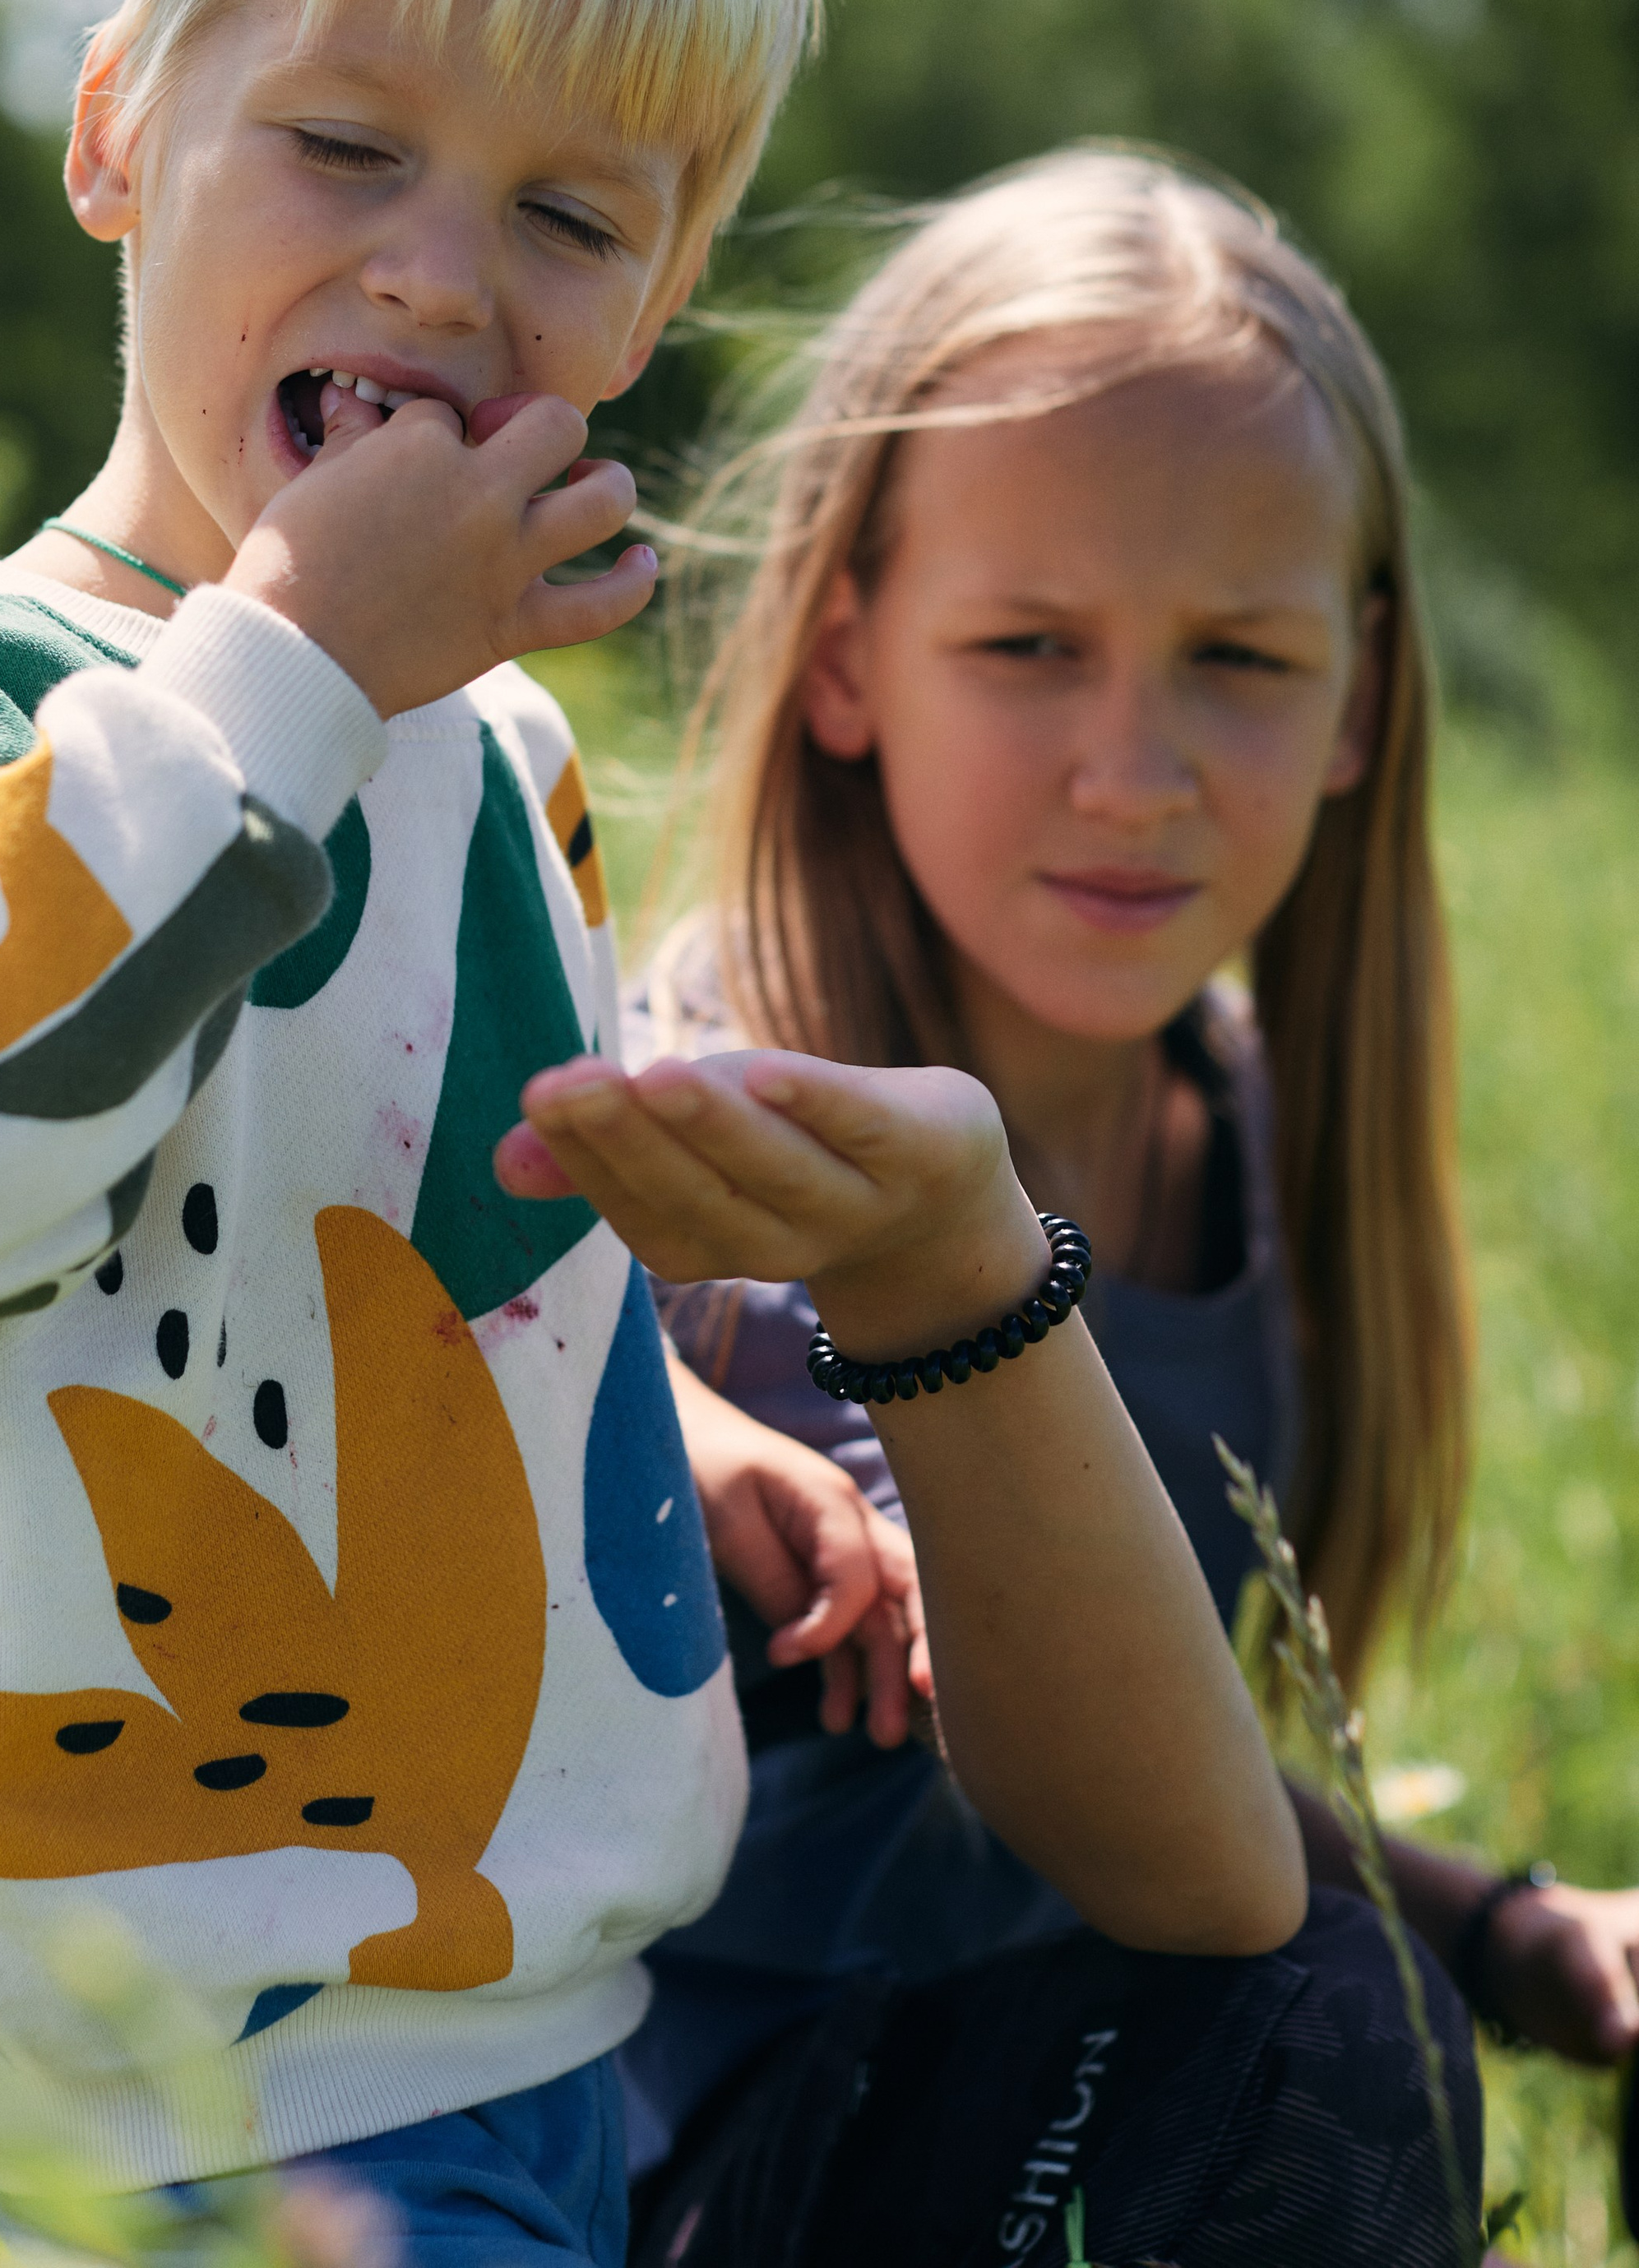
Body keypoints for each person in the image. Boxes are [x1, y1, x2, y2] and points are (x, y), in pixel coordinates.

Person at [0, 0, 827, 2262]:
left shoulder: (502, 749)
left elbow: (418, 1286)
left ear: (654, 306)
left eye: (567, 212)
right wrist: (293, 658)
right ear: (115, 134)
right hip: (186, 2049)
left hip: (539, 2015)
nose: (443, 272)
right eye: (343, 146)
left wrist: (685, 1442)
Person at [512, 146, 1639, 2261]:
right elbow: (1161, 1859)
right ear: (846, 663)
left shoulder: (1247, 1132)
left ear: (1359, 698)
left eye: (1232, 656)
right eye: (1028, 646)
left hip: (1041, 2073)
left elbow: (1158, 1761)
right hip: (661, 2173)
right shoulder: (702, 1148)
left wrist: (1504, 1924)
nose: (1132, 769)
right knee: (1322, 2024)